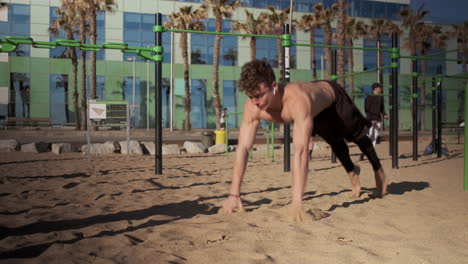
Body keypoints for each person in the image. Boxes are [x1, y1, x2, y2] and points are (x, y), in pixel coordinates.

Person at [221, 60, 387, 222]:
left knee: (356, 135)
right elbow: (242, 148)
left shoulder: (297, 100)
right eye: (250, 97)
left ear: (274, 87)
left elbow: (300, 153)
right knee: (334, 141)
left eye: (258, 96)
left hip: (334, 98)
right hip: (316, 108)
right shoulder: (252, 107)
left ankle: (379, 172)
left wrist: (297, 203)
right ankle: (353, 172)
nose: (255, 102)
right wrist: (234, 194)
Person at [364, 83, 388, 148]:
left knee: (375, 135)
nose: (381, 89)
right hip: (371, 119)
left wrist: (384, 114)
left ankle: (372, 150)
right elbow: (367, 110)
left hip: (378, 119)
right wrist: (370, 119)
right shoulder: (368, 97)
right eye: (380, 88)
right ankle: (367, 148)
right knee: (370, 134)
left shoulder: (380, 98)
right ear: (376, 89)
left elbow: (382, 108)